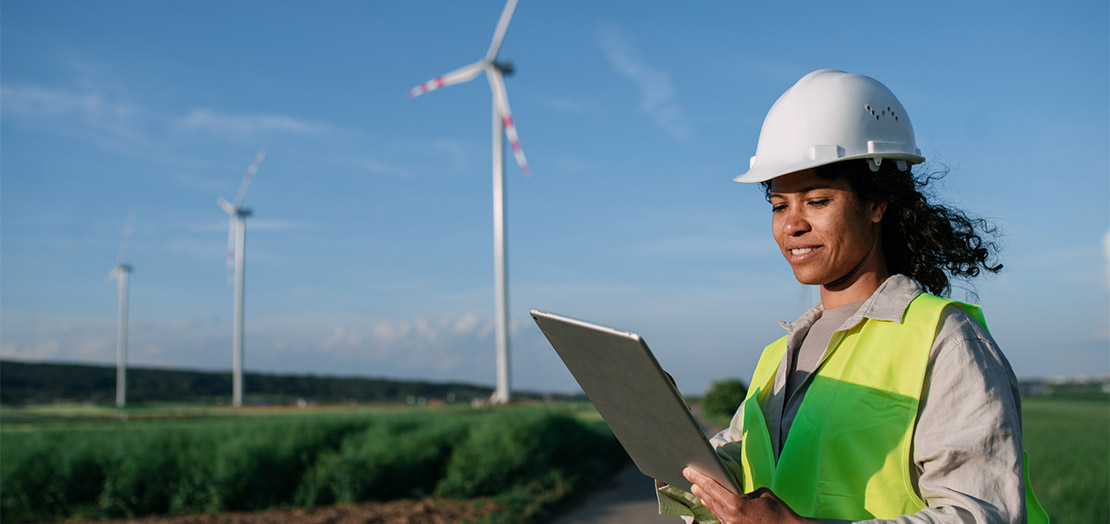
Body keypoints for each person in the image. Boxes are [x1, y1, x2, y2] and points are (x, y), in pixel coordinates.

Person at [656, 69, 1049, 523]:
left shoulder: (945, 340)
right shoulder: (777, 358)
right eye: (779, 205)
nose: (791, 224)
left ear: (878, 203)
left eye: (817, 200)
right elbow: (740, 476)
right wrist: (667, 441)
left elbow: (983, 513)